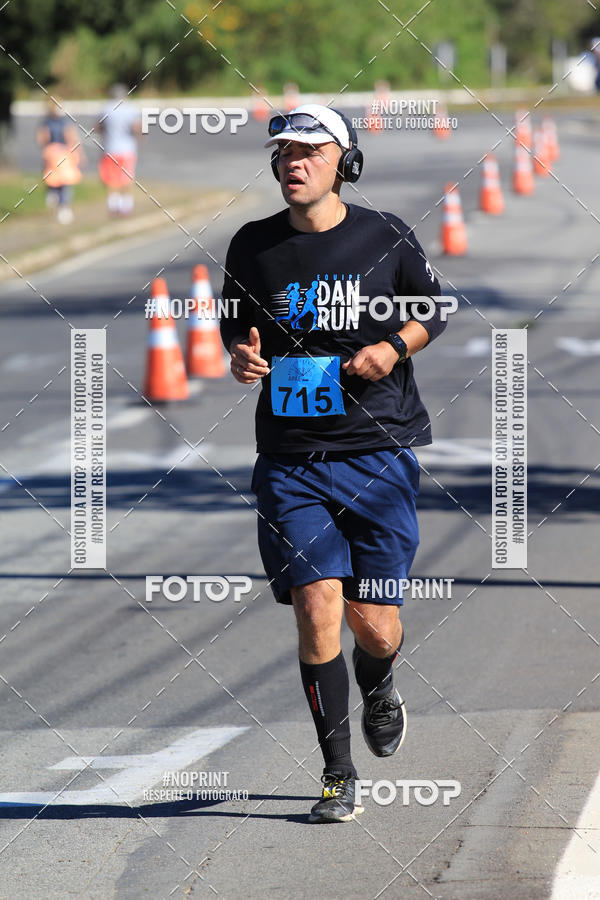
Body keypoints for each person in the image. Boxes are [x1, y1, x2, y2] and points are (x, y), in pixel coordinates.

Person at [220, 104, 447, 823]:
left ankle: (378, 682)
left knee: (374, 626)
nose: (293, 161)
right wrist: (243, 358)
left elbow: (433, 309)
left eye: (309, 150)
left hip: (378, 453)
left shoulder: (385, 236)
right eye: (283, 151)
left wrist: (396, 347)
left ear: (343, 161)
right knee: (318, 605)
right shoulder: (252, 246)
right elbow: (236, 331)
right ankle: (337, 772)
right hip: (290, 459)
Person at [96, 84, 142, 216]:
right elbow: (136, 128)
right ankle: (126, 206)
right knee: (126, 178)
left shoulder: (106, 109)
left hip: (110, 149)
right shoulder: (130, 109)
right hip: (127, 150)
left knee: (111, 179)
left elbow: (99, 127)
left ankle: (113, 205)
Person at [36, 96, 83, 225]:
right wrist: (78, 154)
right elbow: (71, 138)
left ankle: (52, 195)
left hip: (49, 153)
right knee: (66, 182)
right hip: (63, 153)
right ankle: (64, 208)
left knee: (52, 179)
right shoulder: (65, 122)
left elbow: (41, 139)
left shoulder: (45, 122)